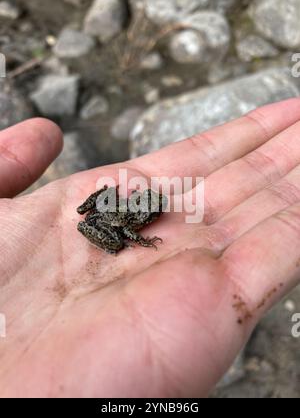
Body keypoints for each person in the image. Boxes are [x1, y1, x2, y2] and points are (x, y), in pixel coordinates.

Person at [0, 98, 300, 398]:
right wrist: (142, 241)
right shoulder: (137, 219)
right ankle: (110, 236)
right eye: (154, 209)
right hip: (104, 224)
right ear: (147, 213)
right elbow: (128, 228)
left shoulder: (139, 206)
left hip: (101, 210)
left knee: (99, 220)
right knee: (117, 242)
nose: (158, 210)